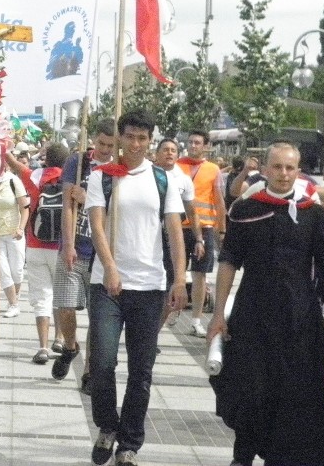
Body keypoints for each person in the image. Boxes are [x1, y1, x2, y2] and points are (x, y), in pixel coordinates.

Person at [207, 143, 324, 466]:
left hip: (300, 319)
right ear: (266, 170)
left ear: (298, 172)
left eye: (290, 168)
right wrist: (218, 314)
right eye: (277, 167)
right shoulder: (245, 209)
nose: (283, 174)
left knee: (296, 394)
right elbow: (229, 261)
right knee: (251, 388)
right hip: (253, 316)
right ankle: (242, 457)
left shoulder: (312, 213)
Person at [85, 110, 187, 466]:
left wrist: (179, 278)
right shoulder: (103, 177)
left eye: (143, 138)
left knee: (141, 370)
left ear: (150, 141)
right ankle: (107, 426)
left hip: (150, 286)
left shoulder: (163, 179)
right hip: (107, 284)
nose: (135, 144)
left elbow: (174, 230)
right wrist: (110, 266)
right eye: (130, 136)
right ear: (121, 136)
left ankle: (129, 443)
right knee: (102, 362)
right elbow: (97, 226)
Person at [51, 119, 115, 387]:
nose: (105, 149)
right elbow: (67, 204)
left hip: (103, 250)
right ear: (94, 140)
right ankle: (70, 344)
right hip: (77, 243)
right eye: (101, 143)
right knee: (65, 305)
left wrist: (87, 197)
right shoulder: (78, 164)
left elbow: (118, 211)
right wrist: (67, 244)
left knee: (98, 316)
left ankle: (89, 370)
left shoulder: (119, 170)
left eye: (111, 145)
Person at [7, 142, 69, 364]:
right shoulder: (71, 178)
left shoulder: (34, 177)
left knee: (41, 297)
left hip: (35, 244)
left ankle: (42, 347)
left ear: (46, 159)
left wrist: (4, 145)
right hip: (62, 248)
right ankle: (60, 338)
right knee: (61, 296)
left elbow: (12, 163)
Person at [176, 130, 226, 337]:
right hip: (179, 225)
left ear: (206, 146)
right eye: (190, 142)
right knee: (174, 272)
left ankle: (195, 320)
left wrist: (222, 229)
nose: (193, 146)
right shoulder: (178, 165)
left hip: (204, 227)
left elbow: (219, 201)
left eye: (197, 143)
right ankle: (172, 310)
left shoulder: (213, 169)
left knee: (200, 275)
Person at [155, 137, 202, 330]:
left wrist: (199, 238)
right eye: (165, 149)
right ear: (157, 154)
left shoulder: (183, 180)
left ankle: (154, 331)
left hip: (173, 239)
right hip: (151, 238)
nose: (169, 153)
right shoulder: (147, 175)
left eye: (173, 150)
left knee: (170, 288)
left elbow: (192, 211)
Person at [0, 154, 29, 318]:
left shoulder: (13, 181)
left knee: (17, 271)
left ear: (4, 165)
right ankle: (14, 304)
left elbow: (25, 207)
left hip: (14, 232)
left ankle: (13, 300)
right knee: (2, 271)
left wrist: (21, 228)